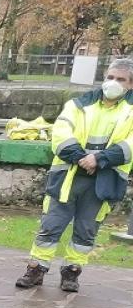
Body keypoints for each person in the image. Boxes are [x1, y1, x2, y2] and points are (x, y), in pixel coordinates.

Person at [15, 58, 133, 292]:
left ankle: (72, 272)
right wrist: (82, 158)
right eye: (110, 77)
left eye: (121, 79)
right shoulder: (78, 104)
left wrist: (99, 159)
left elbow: (130, 145)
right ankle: (36, 269)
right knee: (51, 225)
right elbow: (60, 133)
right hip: (67, 177)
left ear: (130, 84)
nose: (113, 82)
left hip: (103, 181)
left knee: (86, 230)